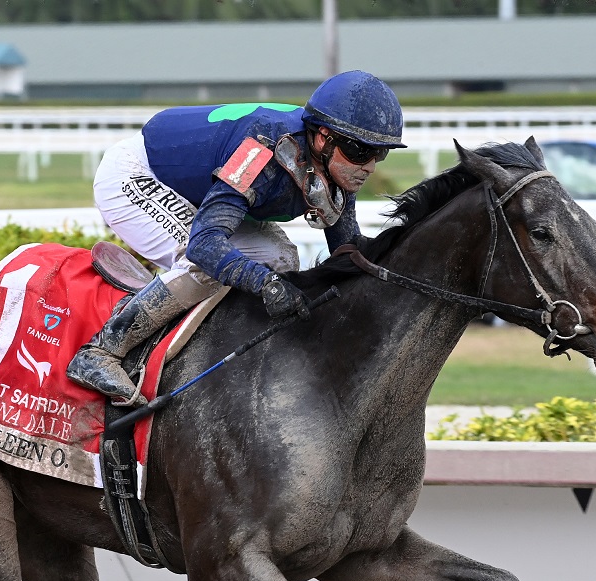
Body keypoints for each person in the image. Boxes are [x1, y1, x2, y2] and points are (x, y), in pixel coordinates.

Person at [67, 70, 408, 405]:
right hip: (137, 176)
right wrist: (266, 285)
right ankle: (101, 351)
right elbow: (205, 245)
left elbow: (346, 257)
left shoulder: (333, 164)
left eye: (380, 153)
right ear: (323, 137)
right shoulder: (264, 149)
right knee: (205, 265)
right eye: (360, 151)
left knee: (283, 259)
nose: (370, 167)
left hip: (200, 189)